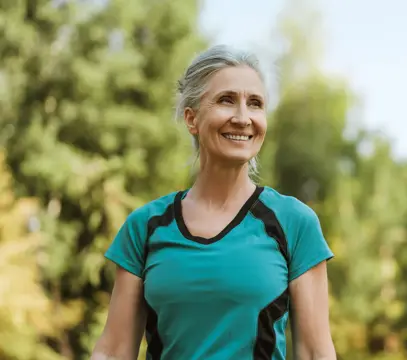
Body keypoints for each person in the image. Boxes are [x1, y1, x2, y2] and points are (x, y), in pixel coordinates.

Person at [91, 44, 336, 360]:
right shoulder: (145, 227)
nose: (243, 117)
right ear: (192, 119)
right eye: (226, 100)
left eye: (256, 104)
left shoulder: (294, 223)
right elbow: (112, 351)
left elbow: (316, 353)